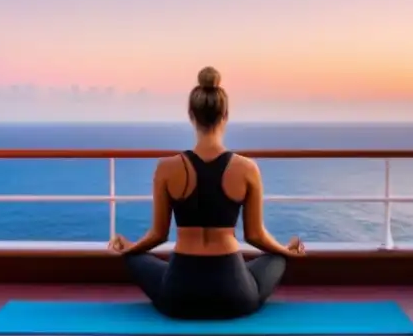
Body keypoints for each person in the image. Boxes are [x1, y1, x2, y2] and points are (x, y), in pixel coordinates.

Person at [108, 66, 305, 319]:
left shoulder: (166, 168)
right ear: (226, 114)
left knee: (134, 258)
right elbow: (255, 236)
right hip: (234, 295)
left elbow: (157, 235)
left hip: (179, 295)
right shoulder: (246, 168)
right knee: (278, 258)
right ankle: (282, 255)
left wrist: (130, 248)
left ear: (191, 115)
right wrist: (285, 250)